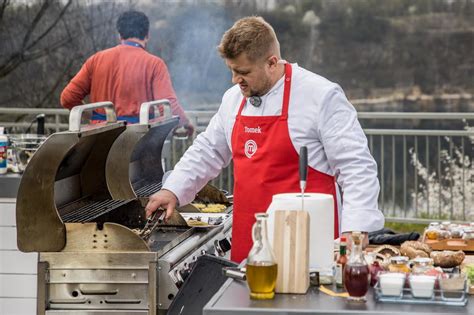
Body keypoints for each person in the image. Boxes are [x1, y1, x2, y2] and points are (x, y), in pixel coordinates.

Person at [145, 16, 384, 262]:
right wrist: (172, 190)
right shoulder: (233, 99)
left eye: (243, 72)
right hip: (251, 241)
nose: (235, 80)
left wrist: (354, 230)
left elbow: (356, 167)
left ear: (272, 62)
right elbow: (207, 151)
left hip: (310, 244)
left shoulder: (321, 96)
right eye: (232, 70)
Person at [60, 10, 194, 135]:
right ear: (147, 36)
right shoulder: (154, 64)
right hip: (138, 137)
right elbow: (168, 106)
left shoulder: (96, 60)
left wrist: (93, 117)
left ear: (120, 35)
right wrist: (185, 123)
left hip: (99, 136)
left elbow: (68, 98)